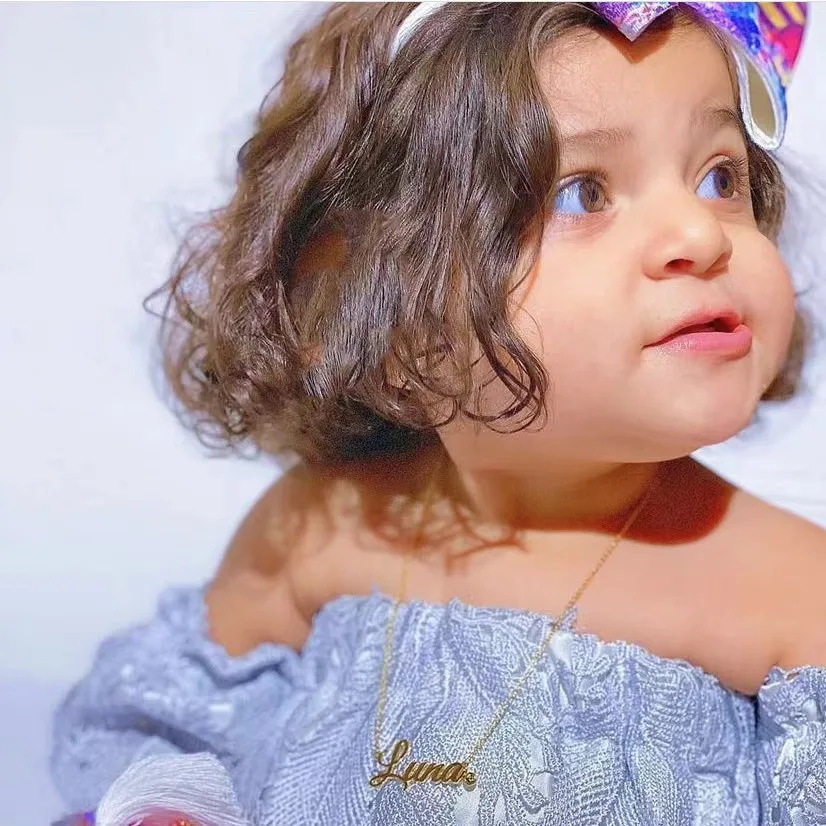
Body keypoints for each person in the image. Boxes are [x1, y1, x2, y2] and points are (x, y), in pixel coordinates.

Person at [51, 2, 826, 825]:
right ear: (382, 309)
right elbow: (172, 724)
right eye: (584, 192)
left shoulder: (790, 597)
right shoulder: (323, 527)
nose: (700, 233)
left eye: (720, 177)